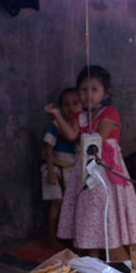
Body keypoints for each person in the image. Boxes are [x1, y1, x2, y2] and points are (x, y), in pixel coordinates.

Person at [53, 65, 136, 261]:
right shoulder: (78, 117)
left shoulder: (110, 112)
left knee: (115, 217)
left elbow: (98, 138)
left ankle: (133, 264)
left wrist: (85, 137)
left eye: (94, 89)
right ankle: (94, 267)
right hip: (85, 173)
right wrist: (56, 114)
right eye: (83, 89)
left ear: (106, 92)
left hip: (105, 173)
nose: (88, 94)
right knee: (90, 220)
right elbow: (72, 135)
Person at [41, 88, 82, 246]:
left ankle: (68, 237)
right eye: (65, 104)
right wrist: (50, 171)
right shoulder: (56, 125)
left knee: (71, 203)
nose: (70, 107)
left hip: (72, 170)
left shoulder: (82, 124)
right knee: (56, 202)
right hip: (54, 167)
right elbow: (48, 146)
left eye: (75, 103)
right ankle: (51, 236)